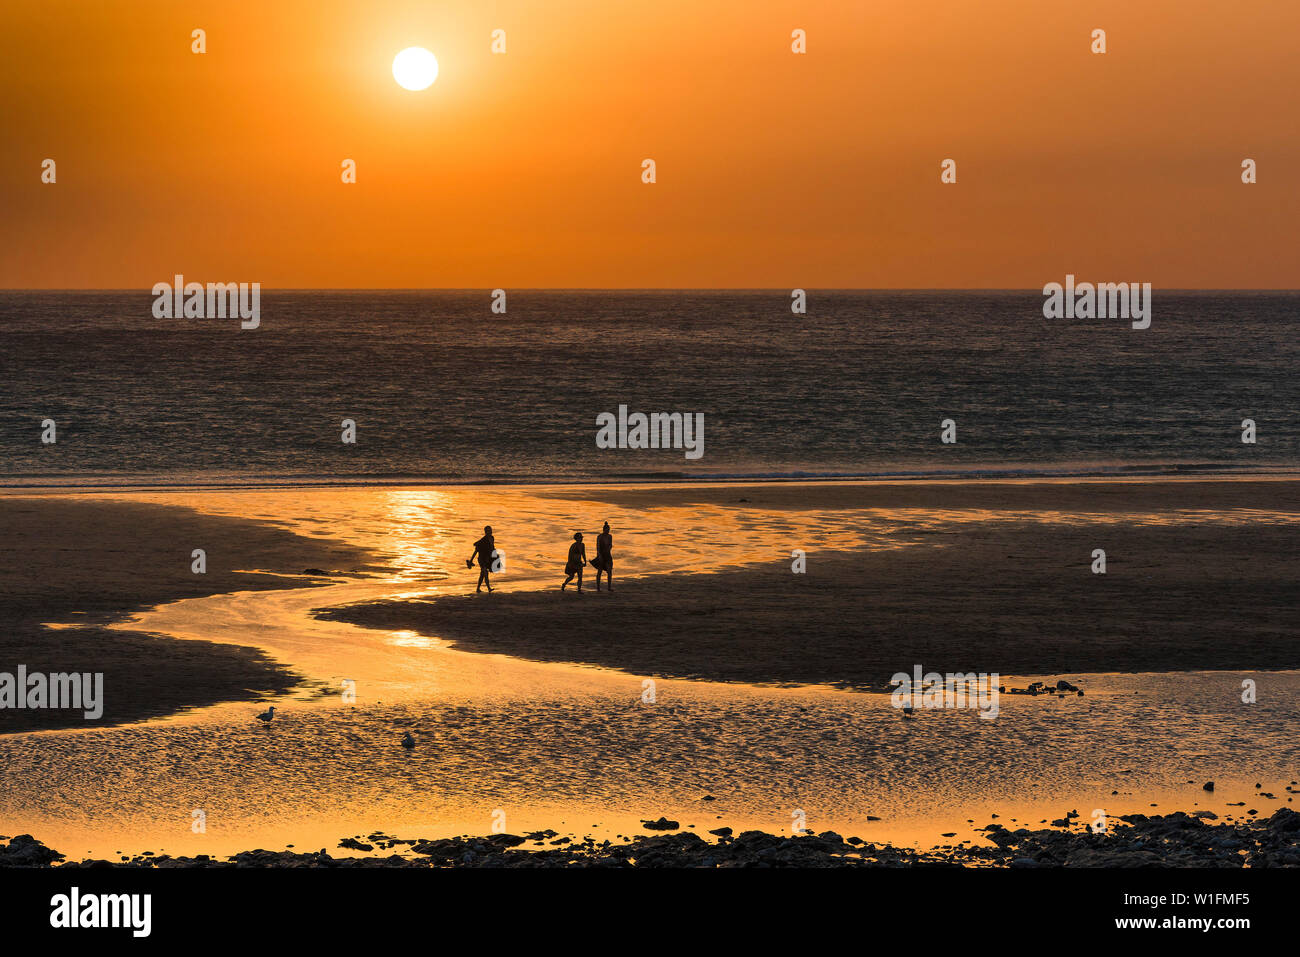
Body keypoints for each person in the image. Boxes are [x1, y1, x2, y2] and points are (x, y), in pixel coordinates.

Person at [467, 525, 496, 593]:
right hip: (481, 559)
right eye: (488, 531)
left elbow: (492, 547)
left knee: (482, 574)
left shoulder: (492, 538)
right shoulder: (483, 540)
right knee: (485, 572)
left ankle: (478, 589)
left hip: (487, 558)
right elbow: (476, 548)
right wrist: (471, 560)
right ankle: (489, 588)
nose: (490, 531)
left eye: (490, 530)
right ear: (485, 532)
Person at [594, 521, 614, 592]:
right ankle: (598, 588)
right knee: (599, 571)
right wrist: (599, 555)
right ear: (604, 530)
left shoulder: (610, 536)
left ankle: (609, 587)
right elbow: (598, 547)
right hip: (601, 555)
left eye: (609, 530)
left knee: (609, 571)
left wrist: (609, 548)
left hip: (608, 555)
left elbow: (610, 545)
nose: (608, 531)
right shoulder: (600, 537)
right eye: (607, 530)